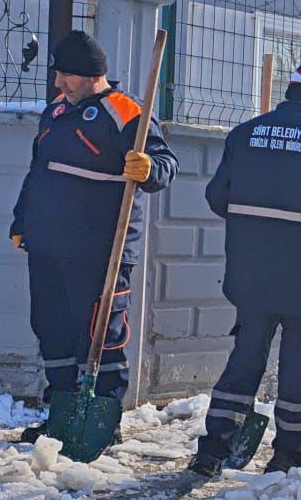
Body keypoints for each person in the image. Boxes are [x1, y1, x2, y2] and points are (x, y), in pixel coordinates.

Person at [190, 60, 301, 477]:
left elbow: (217, 198)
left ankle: (213, 449)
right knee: (300, 367)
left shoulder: (245, 134)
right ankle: (288, 455)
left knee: (245, 358)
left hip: (250, 273)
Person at [10, 31, 178, 439]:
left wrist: (149, 169)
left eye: (64, 75)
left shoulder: (125, 112)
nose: (58, 84)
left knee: (100, 333)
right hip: (47, 243)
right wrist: (21, 221)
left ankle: (103, 418)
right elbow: (38, 172)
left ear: (89, 75)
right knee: (52, 328)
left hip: (101, 247)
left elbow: (165, 162)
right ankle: (61, 414)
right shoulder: (55, 112)